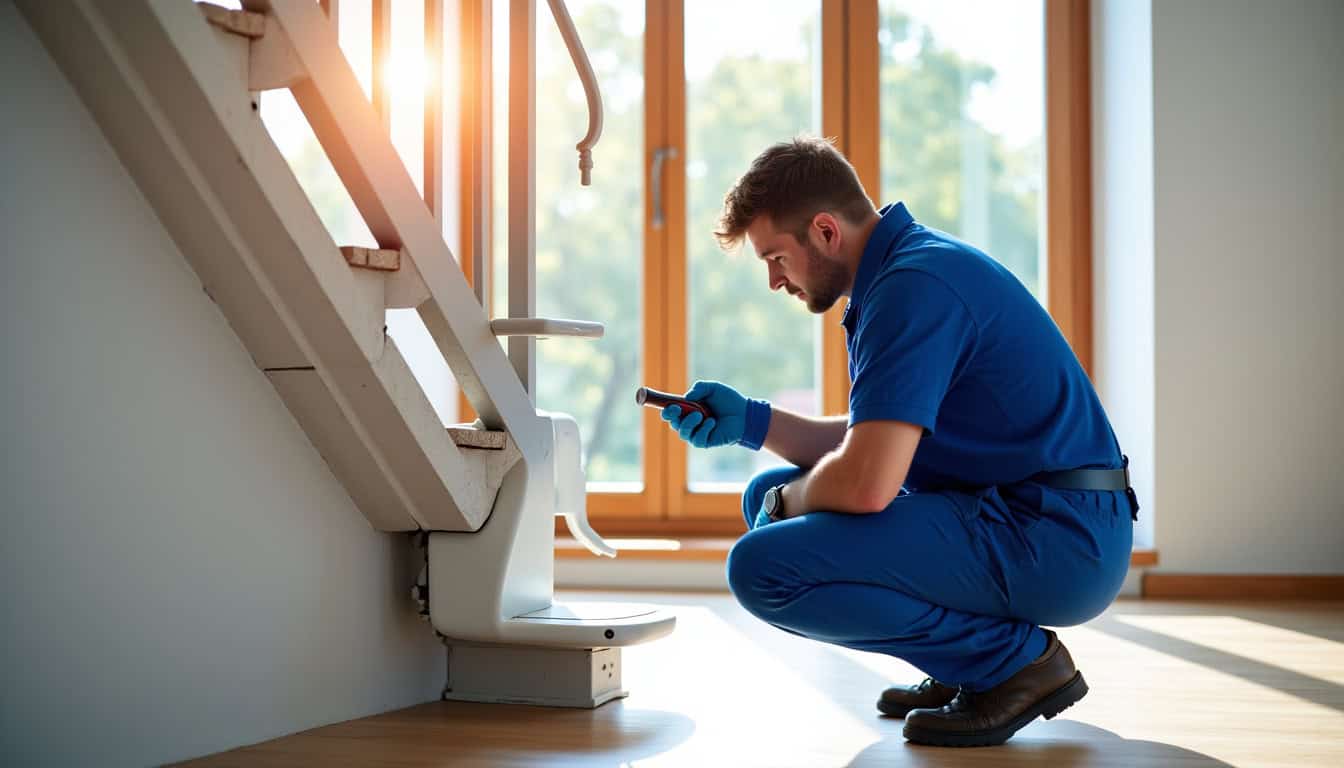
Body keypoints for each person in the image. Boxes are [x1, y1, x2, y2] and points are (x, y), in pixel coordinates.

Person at [660, 136, 1137, 748]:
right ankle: (964, 661)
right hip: (1026, 515)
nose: (774, 280)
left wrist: (787, 504)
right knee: (765, 494)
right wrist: (752, 421)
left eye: (776, 257)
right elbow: (880, 437)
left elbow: (868, 482)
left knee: (762, 568)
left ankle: (1011, 663)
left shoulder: (912, 288)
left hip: (1057, 537)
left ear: (825, 231)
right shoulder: (905, 268)